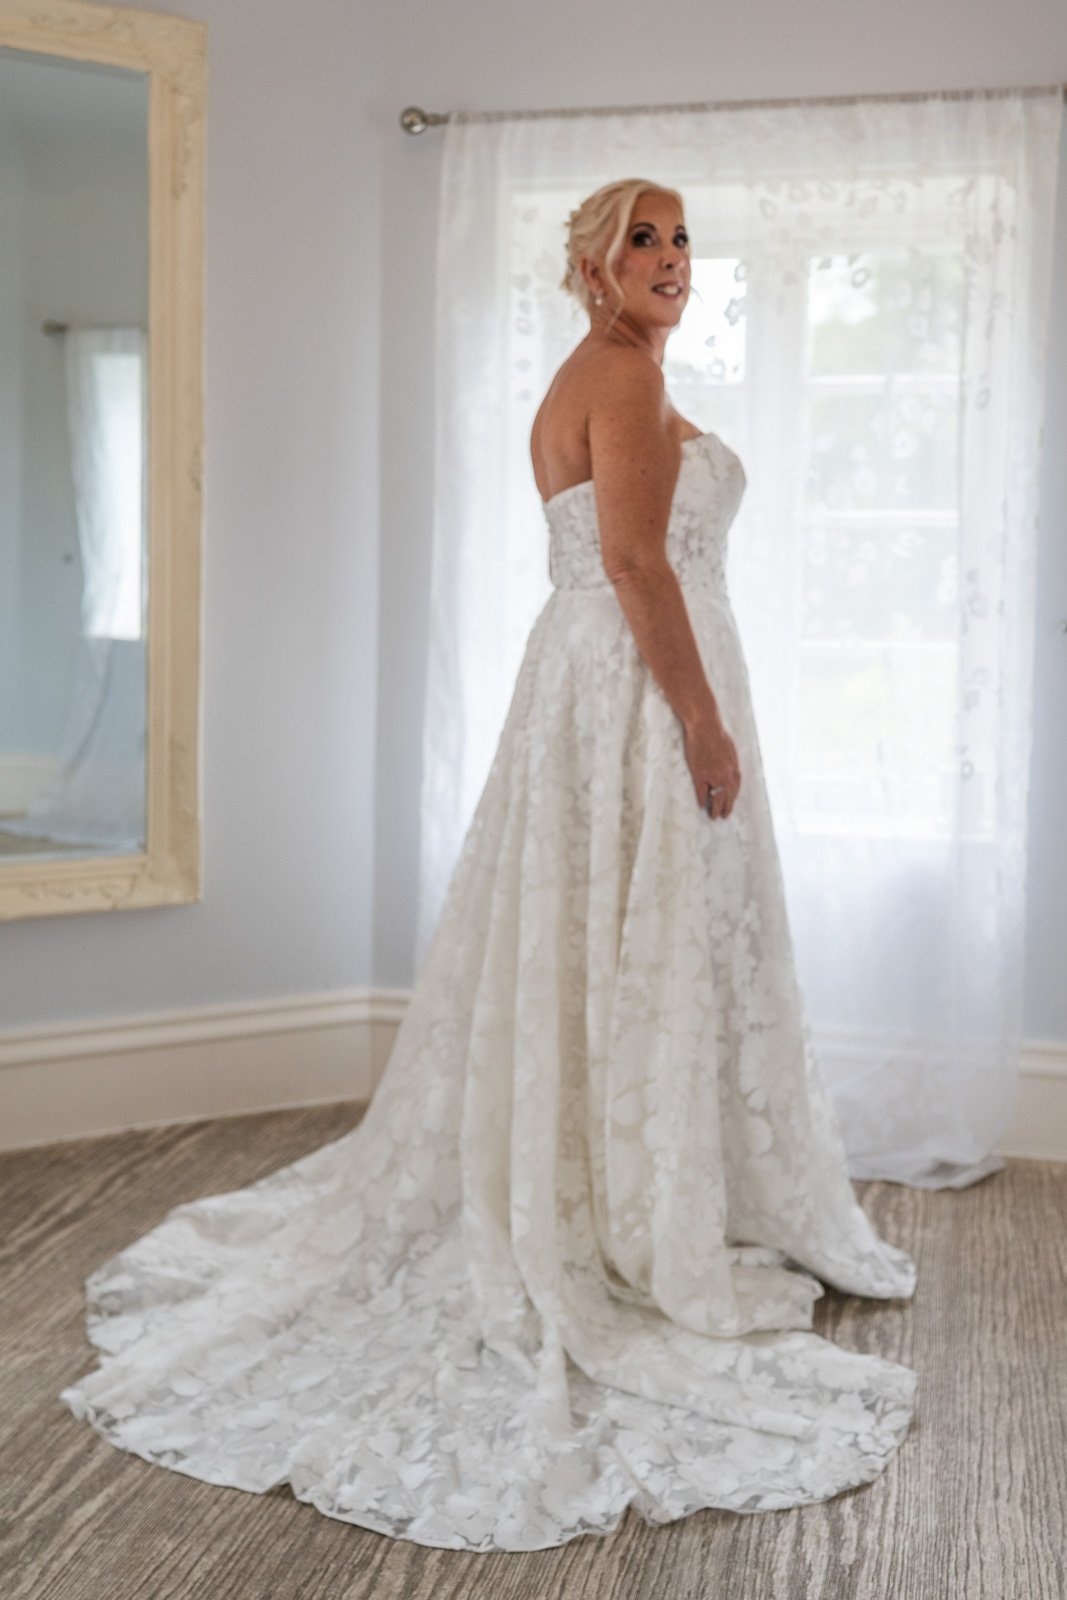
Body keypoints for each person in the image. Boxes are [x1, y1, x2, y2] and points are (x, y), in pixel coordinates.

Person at [60, 177, 918, 1555]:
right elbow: (636, 563)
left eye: (682, 240)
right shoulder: (621, 378)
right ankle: (630, 1203)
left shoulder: (607, 371)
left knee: (607, 933)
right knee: (634, 928)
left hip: (600, 680)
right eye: (643, 239)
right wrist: (702, 720)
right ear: (595, 264)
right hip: (636, 685)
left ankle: (631, 1172)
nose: (671, 259)